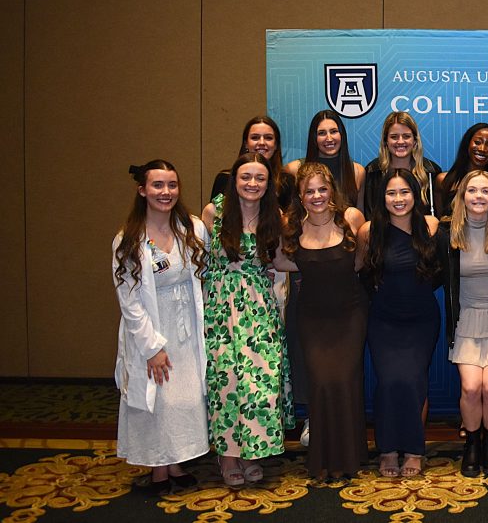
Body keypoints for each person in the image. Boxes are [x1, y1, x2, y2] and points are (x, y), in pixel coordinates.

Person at [113, 160, 208, 494]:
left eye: (171, 185)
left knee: (183, 398)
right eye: (157, 185)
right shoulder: (128, 240)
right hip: (152, 329)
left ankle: (178, 461)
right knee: (158, 397)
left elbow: (203, 278)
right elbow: (129, 301)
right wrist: (152, 347)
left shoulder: (193, 229)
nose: (165, 193)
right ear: (142, 190)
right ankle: (157, 469)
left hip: (187, 328)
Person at [202, 153, 293, 487]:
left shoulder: (276, 216)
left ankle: (252, 452)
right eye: (246, 177)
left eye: (260, 178)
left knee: (261, 380)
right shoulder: (213, 213)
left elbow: (283, 261)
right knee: (226, 381)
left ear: (269, 183)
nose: (252, 184)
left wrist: (330, 259)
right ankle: (228, 456)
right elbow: (201, 259)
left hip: (259, 307)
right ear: (234, 180)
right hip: (221, 307)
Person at [273, 163, 368, 480]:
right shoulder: (292, 226)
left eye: (322, 189)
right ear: (300, 196)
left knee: (344, 382)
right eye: (309, 191)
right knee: (322, 384)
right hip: (312, 319)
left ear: (332, 191)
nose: (316, 196)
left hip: (350, 316)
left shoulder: (351, 219)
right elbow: (279, 260)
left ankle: (349, 456)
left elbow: (359, 263)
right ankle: (324, 457)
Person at [436, 170, 488, 477]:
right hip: (466, 320)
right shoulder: (447, 233)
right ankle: (472, 443)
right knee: (472, 388)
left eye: (486, 191)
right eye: (472, 190)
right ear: (462, 196)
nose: (479, 196)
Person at [359, 168, 441, 478]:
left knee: (412, 380)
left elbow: (440, 272)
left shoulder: (430, 227)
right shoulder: (369, 231)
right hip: (383, 320)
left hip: (421, 319)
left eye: (404, 192)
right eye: (391, 193)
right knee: (389, 382)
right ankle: (388, 450)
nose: (398, 199)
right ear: (382, 197)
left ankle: (415, 450)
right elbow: (362, 271)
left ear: (416, 194)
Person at [363, 111, 442, 217]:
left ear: (415, 140)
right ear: (386, 141)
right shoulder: (373, 171)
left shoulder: (431, 171)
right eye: (394, 137)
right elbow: (369, 214)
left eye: (406, 136)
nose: (400, 142)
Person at [286, 109, 366, 210]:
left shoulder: (358, 172)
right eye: (322, 133)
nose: (329, 138)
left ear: (342, 135)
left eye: (333, 131)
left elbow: (359, 217)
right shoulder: (294, 170)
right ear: (314, 138)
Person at [209, 116, 296, 209]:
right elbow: (216, 218)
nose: (262, 142)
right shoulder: (225, 179)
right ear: (246, 143)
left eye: (268, 138)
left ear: (276, 145)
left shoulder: (286, 181)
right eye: (255, 137)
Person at [436, 123, 488, 218]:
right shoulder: (443, 180)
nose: (482, 149)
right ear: (467, 144)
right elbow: (439, 219)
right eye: (477, 142)